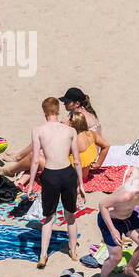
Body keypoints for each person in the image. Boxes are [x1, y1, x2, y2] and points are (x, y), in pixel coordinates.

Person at [27, 97, 86, 268]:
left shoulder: (37, 130)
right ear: (58, 111)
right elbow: (76, 161)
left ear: (44, 112)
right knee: (70, 216)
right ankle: (73, 251)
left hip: (50, 175)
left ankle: (43, 255)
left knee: (48, 218)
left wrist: (31, 184)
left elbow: (36, 161)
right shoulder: (70, 131)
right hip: (67, 174)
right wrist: (80, 184)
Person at [2, 86, 103, 173]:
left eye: (67, 102)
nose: (64, 104)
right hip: (85, 147)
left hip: (85, 152)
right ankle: (19, 155)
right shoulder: (78, 111)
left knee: (42, 138)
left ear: (77, 103)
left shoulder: (80, 117)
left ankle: (18, 157)